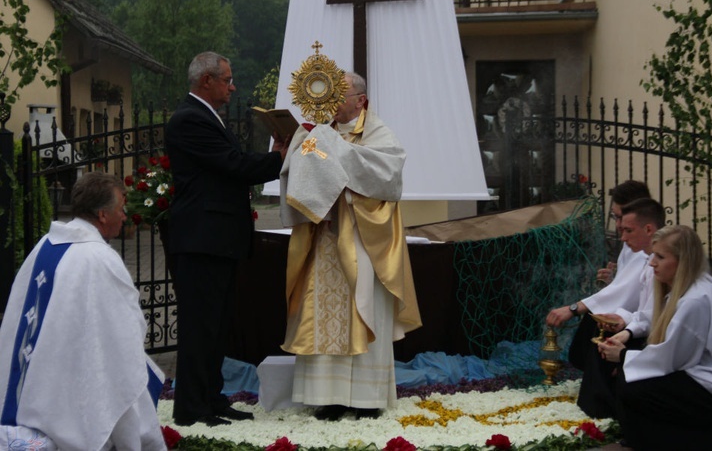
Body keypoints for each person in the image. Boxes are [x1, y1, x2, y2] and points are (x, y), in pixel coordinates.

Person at [279, 72, 422, 421]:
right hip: (325, 238)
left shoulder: (377, 132)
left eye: (340, 94)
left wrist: (330, 146)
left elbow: (388, 176)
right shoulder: (317, 131)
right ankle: (329, 396)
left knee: (363, 310)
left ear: (360, 100)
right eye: (330, 93)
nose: (332, 101)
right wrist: (304, 145)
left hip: (361, 239)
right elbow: (296, 170)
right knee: (323, 316)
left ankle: (367, 398)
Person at [166, 51, 289, 427]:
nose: (233, 86)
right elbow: (232, 166)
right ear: (207, 81)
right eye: (227, 79)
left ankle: (211, 397)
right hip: (200, 240)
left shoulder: (208, 117)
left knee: (217, 327)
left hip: (216, 240)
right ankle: (191, 407)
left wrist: (273, 154)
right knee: (200, 326)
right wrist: (279, 157)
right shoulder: (190, 119)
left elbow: (228, 164)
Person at [0, 172, 166, 450]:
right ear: (102, 215)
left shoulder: (44, 246)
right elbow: (125, 332)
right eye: (121, 209)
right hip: (69, 387)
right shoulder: (99, 258)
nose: (124, 216)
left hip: (39, 374)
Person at [599, 225, 712, 450]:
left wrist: (622, 355)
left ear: (682, 261)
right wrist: (627, 340)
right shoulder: (699, 287)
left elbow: (672, 360)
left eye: (660, 256)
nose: (652, 263)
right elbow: (660, 331)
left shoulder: (694, 299)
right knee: (632, 378)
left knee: (631, 387)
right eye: (652, 255)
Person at [547, 196, 665, 418]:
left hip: (666, 344)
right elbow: (645, 306)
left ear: (648, 228)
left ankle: (602, 409)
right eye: (616, 219)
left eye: (625, 226)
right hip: (647, 327)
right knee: (603, 334)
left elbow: (655, 312)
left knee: (604, 340)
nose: (620, 232)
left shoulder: (657, 262)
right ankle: (598, 407)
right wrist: (625, 322)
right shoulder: (649, 258)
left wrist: (627, 332)